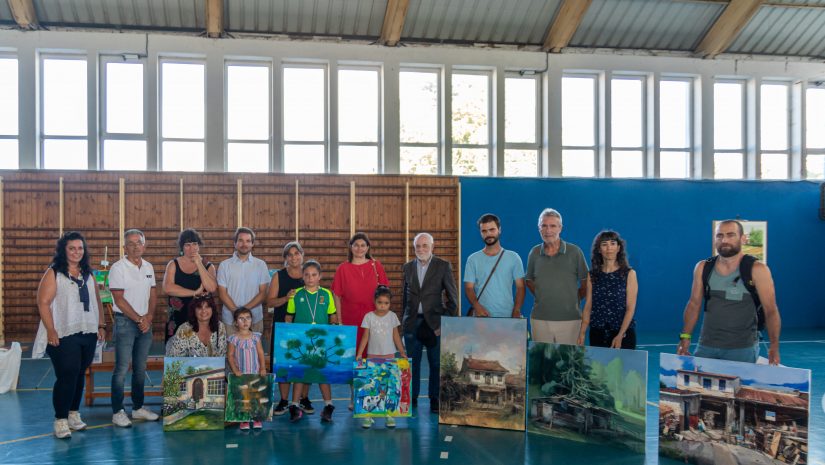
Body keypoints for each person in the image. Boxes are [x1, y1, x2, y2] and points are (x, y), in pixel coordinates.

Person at [677, 220, 781, 364]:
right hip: (706, 347)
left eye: (730, 235)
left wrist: (774, 345)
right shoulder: (702, 267)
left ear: (743, 238)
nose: (724, 240)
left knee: (740, 387)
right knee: (699, 386)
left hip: (742, 349)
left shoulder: (758, 270)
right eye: (719, 236)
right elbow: (693, 305)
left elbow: (771, 310)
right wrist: (685, 336)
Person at [35, 231, 106, 439]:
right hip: (63, 332)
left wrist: (101, 324)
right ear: (63, 250)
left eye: (80, 248)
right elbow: (43, 303)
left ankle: (74, 414)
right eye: (72, 248)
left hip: (88, 330)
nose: (77, 252)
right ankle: (60, 419)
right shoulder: (54, 272)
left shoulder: (88, 273)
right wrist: (51, 330)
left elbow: (97, 301)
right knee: (67, 374)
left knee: (80, 373)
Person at [400, 232, 458, 414]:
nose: (421, 249)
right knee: (412, 363)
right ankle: (412, 398)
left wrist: (445, 323)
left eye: (425, 245)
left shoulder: (443, 266)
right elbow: (404, 297)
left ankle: (435, 398)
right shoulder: (407, 267)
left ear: (433, 247)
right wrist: (403, 322)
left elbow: (453, 299)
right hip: (412, 324)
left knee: (435, 364)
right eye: (417, 246)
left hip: (435, 325)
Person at [331, 232, 389, 410]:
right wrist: (340, 320)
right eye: (356, 245)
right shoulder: (343, 268)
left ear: (368, 247)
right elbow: (336, 296)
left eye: (363, 245)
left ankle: (375, 397)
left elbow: (384, 293)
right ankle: (355, 395)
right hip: (351, 319)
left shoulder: (376, 266)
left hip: (374, 319)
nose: (359, 248)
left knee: (375, 356)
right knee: (356, 358)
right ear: (351, 247)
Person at [109, 229, 160, 428]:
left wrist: (149, 317)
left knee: (140, 369)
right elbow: (119, 300)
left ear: (144, 245)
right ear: (124, 247)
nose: (135, 246)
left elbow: (153, 294)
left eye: (138, 242)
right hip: (125, 323)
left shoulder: (148, 266)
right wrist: (140, 319)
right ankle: (117, 411)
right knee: (121, 368)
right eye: (130, 243)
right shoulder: (118, 268)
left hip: (144, 322)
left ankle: (138, 408)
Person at [285, 260, 340, 423]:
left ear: (320, 276)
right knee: (299, 373)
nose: (310, 278)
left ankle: (328, 406)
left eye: (314, 275)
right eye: (307, 275)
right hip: (301, 342)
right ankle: (294, 406)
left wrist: (334, 330)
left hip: (321, 342)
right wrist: (288, 334)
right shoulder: (296, 294)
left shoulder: (326, 294)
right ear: (302, 276)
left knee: (322, 375)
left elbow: (333, 316)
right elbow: (289, 317)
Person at [525, 208, 589, 345]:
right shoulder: (534, 253)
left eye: (553, 226)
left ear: (560, 228)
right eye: (544, 225)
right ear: (539, 228)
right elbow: (529, 280)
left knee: (569, 365)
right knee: (542, 364)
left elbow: (586, 283)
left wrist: (574, 298)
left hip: (570, 319)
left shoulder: (575, 252)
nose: (548, 230)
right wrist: (542, 295)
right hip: (540, 320)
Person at [355, 285, 407, 429]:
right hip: (373, 356)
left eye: (386, 303)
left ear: (390, 303)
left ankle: (389, 415)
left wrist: (401, 351)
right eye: (380, 303)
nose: (383, 306)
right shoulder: (369, 317)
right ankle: (369, 415)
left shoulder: (392, 317)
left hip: (389, 356)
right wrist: (360, 354)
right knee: (372, 386)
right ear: (374, 301)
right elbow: (365, 337)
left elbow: (396, 335)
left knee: (388, 386)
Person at [577, 230, 638, 349]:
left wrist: (620, 335)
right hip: (597, 333)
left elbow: (630, 309)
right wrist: (582, 333)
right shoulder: (592, 275)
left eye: (612, 243)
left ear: (618, 248)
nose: (609, 247)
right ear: (599, 249)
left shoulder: (629, 274)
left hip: (623, 333)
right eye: (604, 244)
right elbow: (588, 306)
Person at [265, 241, 305, 416]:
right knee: (282, 363)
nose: (294, 257)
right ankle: (283, 400)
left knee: (302, 362)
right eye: (290, 254)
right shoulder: (278, 276)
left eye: (297, 253)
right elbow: (270, 302)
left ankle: (301, 399)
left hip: (303, 326)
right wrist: (286, 298)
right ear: (285, 258)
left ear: (302, 255)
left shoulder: (309, 274)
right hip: (283, 326)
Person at [464, 213, 525, 318]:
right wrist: (477, 307)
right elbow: (469, 288)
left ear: (499, 230)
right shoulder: (472, 259)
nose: (488, 234)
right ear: (480, 232)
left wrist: (516, 310)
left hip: (507, 316)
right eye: (484, 231)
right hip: (481, 317)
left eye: (492, 229)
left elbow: (520, 287)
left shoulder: (514, 257)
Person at [162, 229, 218, 343]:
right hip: (178, 317)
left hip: (202, 318)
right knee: (176, 356)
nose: (192, 248)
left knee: (202, 354)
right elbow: (168, 288)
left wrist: (198, 263)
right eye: (187, 245)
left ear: (199, 246)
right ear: (182, 247)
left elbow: (212, 288)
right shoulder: (173, 264)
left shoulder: (208, 266)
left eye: (195, 244)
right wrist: (195, 292)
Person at [217, 227, 270, 337]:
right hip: (230, 321)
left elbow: (263, 293)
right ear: (235, 243)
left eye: (248, 241)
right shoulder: (224, 265)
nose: (244, 244)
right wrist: (237, 313)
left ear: (252, 244)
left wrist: (243, 313)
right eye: (240, 240)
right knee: (231, 354)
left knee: (254, 353)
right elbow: (222, 293)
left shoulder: (261, 265)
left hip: (254, 319)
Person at [227, 307, 267, 431]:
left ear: (251, 321)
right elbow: (230, 355)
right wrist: (235, 370)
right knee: (243, 397)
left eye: (248, 318)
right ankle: (244, 419)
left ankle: (256, 418)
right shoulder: (233, 338)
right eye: (241, 318)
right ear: (235, 322)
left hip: (254, 373)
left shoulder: (256, 337)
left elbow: (261, 353)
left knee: (255, 396)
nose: (245, 321)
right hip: (241, 374)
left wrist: (263, 368)